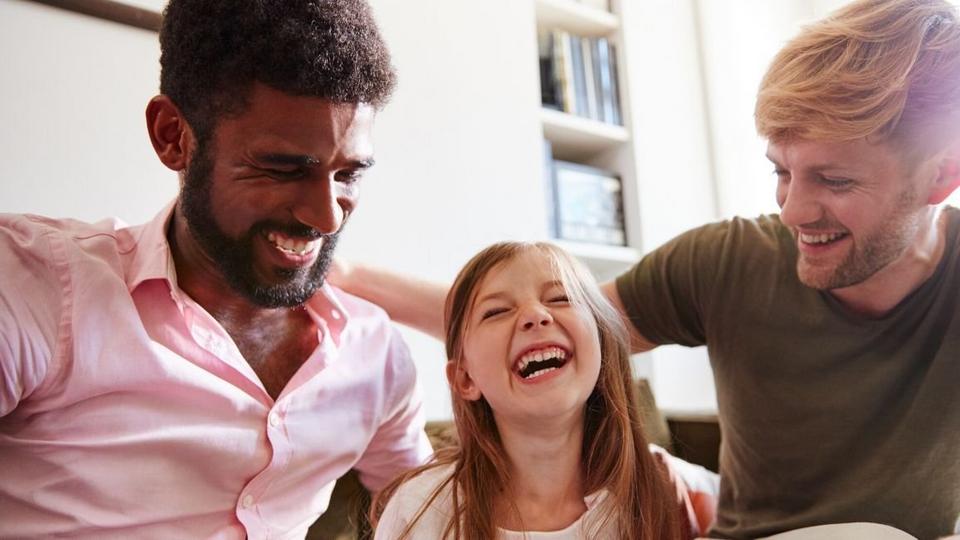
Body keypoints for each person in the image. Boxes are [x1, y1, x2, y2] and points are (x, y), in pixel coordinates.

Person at [330, 0, 960, 537]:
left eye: (835, 179)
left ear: (942, 175)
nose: (793, 209)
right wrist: (343, 277)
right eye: (781, 171)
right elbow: (554, 327)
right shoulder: (730, 260)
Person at [0, 0, 431, 537]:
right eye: (281, 168)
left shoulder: (376, 356)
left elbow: (437, 518)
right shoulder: (33, 287)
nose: (325, 216)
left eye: (349, 175)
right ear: (172, 136)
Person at [371, 241, 703, 539]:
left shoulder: (665, 487)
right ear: (465, 379)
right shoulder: (419, 511)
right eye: (497, 311)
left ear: (602, 348)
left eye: (561, 298)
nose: (535, 315)